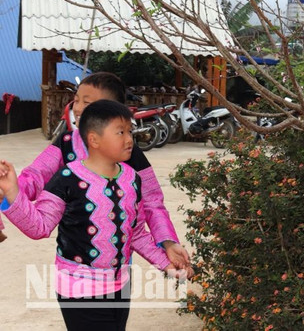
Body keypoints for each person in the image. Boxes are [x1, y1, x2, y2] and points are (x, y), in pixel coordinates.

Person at [0, 100, 190, 330]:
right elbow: (39, 227)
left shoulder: (131, 178)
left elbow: (135, 233)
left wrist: (166, 263)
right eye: (120, 132)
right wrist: (12, 192)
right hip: (79, 289)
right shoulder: (67, 179)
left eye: (130, 131)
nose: (129, 139)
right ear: (94, 139)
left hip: (120, 285)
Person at [0, 72, 190, 269]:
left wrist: (168, 242)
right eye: (76, 100)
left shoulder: (130, 155)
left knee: (118, 296)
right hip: (74, 266)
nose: (78, 108)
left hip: (118, 263)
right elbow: (36, 175)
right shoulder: (66, 143)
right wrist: (9, 190)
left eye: (88, 102)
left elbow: (152, 203)